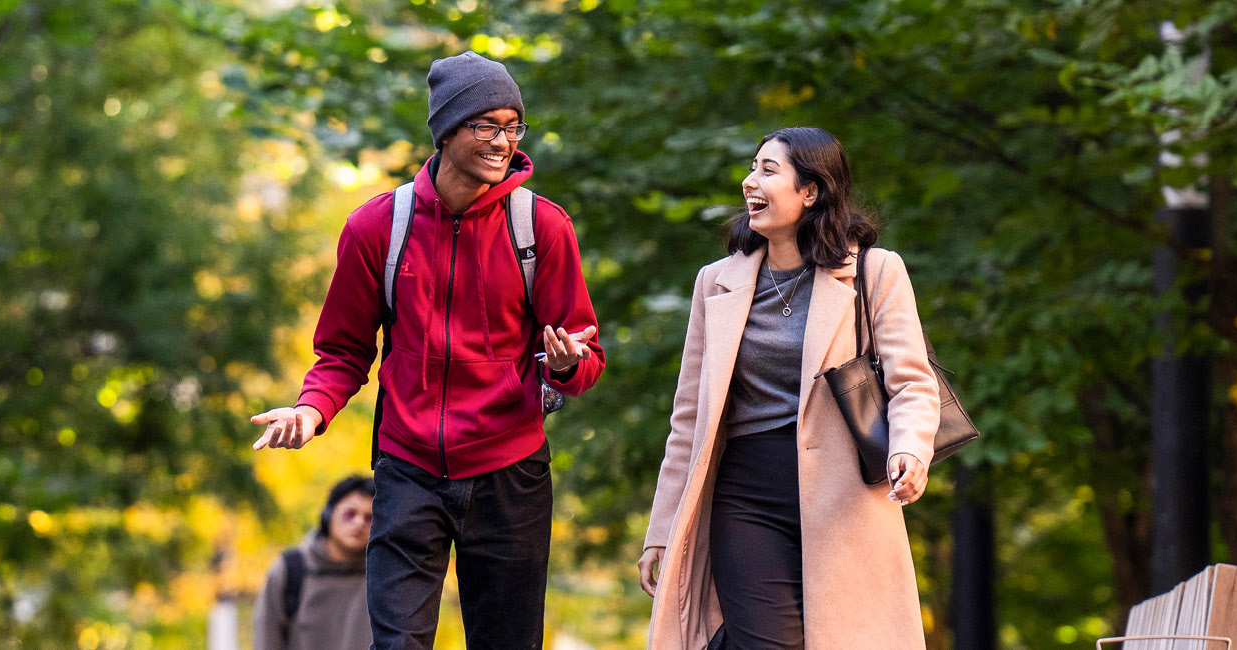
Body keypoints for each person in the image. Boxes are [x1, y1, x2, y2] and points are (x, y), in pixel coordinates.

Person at [248, 51, 606, 649]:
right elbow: (342, 351)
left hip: (509, 471)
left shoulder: (541, 228)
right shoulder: (378, 229)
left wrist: (567, 365)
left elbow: (585, 354)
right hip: (408, 468)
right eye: (486, 125)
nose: (504, 141)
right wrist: (310, 410)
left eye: (513, 125)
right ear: (446, 130)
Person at [635, 127, 939, 650]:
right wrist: (662, 528)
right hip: (745, 497)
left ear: (811, 191)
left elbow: (911, 380)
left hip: (846, 497)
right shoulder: (717, 283)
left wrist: (911, 449)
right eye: (752, 168)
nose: (750, 182)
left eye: (768, 170)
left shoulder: (873, 271)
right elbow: (689, 417)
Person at [253, 476, 375, 650]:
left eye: (369, 518)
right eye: (350, 514)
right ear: (328, 515)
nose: (359, 523)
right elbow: (266, 641)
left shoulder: (386, 576)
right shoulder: (290, 571)